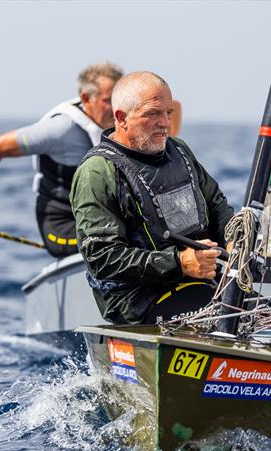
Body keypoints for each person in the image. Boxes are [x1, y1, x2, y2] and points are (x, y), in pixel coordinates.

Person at [0, 62, 183, 258]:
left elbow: (176, 106)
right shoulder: (61, 130)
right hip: (62, 225)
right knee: (128, 239)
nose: (115, 107)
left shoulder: (123, 119)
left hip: (106, 217)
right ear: (87, 98)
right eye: (107, 100)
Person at [70, 71, 233, 325]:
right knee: (232, 323)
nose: (165, 123)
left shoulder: (178, 150)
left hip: (197, 282)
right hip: (138, 300)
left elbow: (216, 204)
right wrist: (179, 263)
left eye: (168, 113)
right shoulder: (97, 172)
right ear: (122, 118)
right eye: (153, 114)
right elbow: (102, 258)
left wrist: (233, 239)